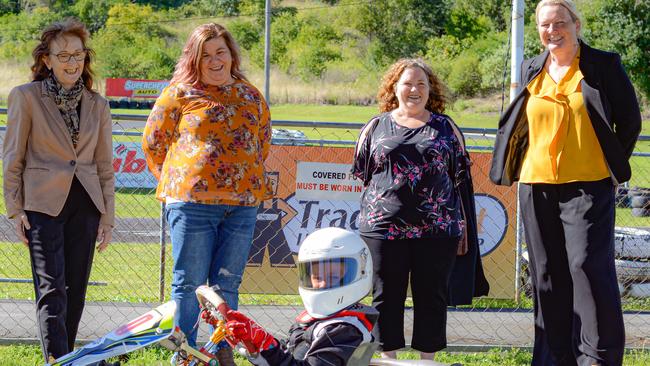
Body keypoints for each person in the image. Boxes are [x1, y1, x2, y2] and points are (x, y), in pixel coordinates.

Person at [490, 1, 641, 365]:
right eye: (545, 24)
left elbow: (630, 121)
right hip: (535, 183)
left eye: (560, 22)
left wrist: (607, 163)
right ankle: (552, 357)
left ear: (576, 24)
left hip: (588, 186)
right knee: (546, 274)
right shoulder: (532, 67)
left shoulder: (603, 65)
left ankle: (597, 356)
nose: (552, 30)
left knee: (587, 267)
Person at [141, 22, 272, 361]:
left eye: (220, 53)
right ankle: (185, 354)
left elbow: (262, 143)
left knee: (227, 286)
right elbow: (153, 143)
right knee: (189, 284)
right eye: (206, 56)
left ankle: (220, 351)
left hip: (242, 206)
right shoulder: (179, 93)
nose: (215, 62)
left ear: (231, 55)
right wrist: (177, 183)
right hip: (192, 205)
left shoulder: (251, 95)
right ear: (194, 60)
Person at [351, 58, 489, 361]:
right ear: (394, 88)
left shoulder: (446, 127)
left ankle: (428, 359)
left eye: (421, 84)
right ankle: (389, 359)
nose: (414, 89)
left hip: (437, 231)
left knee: (432, 297)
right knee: (386, 297)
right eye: (407, 83)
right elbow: (364, 171)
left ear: (430, 90)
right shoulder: (376, 126)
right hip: (383, 229)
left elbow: (458, 175)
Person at [2, 19, 114, 362]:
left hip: (86, 203)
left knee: (76, 291)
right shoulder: (26, 97)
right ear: (47, 60)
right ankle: (57, 359)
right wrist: (15, 209)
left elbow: (104, 167)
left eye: (78, 55)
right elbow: (13, 157)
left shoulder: (98, 104)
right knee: (52, 291)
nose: (72, 62)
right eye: (63, 55)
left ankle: (66, 359)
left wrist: (107, 217)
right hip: (42, 203)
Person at [224, 227, 379, 365]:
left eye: (333, 277)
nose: (323, 283)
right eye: (317, 277)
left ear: (361, 272)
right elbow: (288, 357)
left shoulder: (344, 329)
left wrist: (268, 347)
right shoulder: (318, 320)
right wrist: (256, 343)